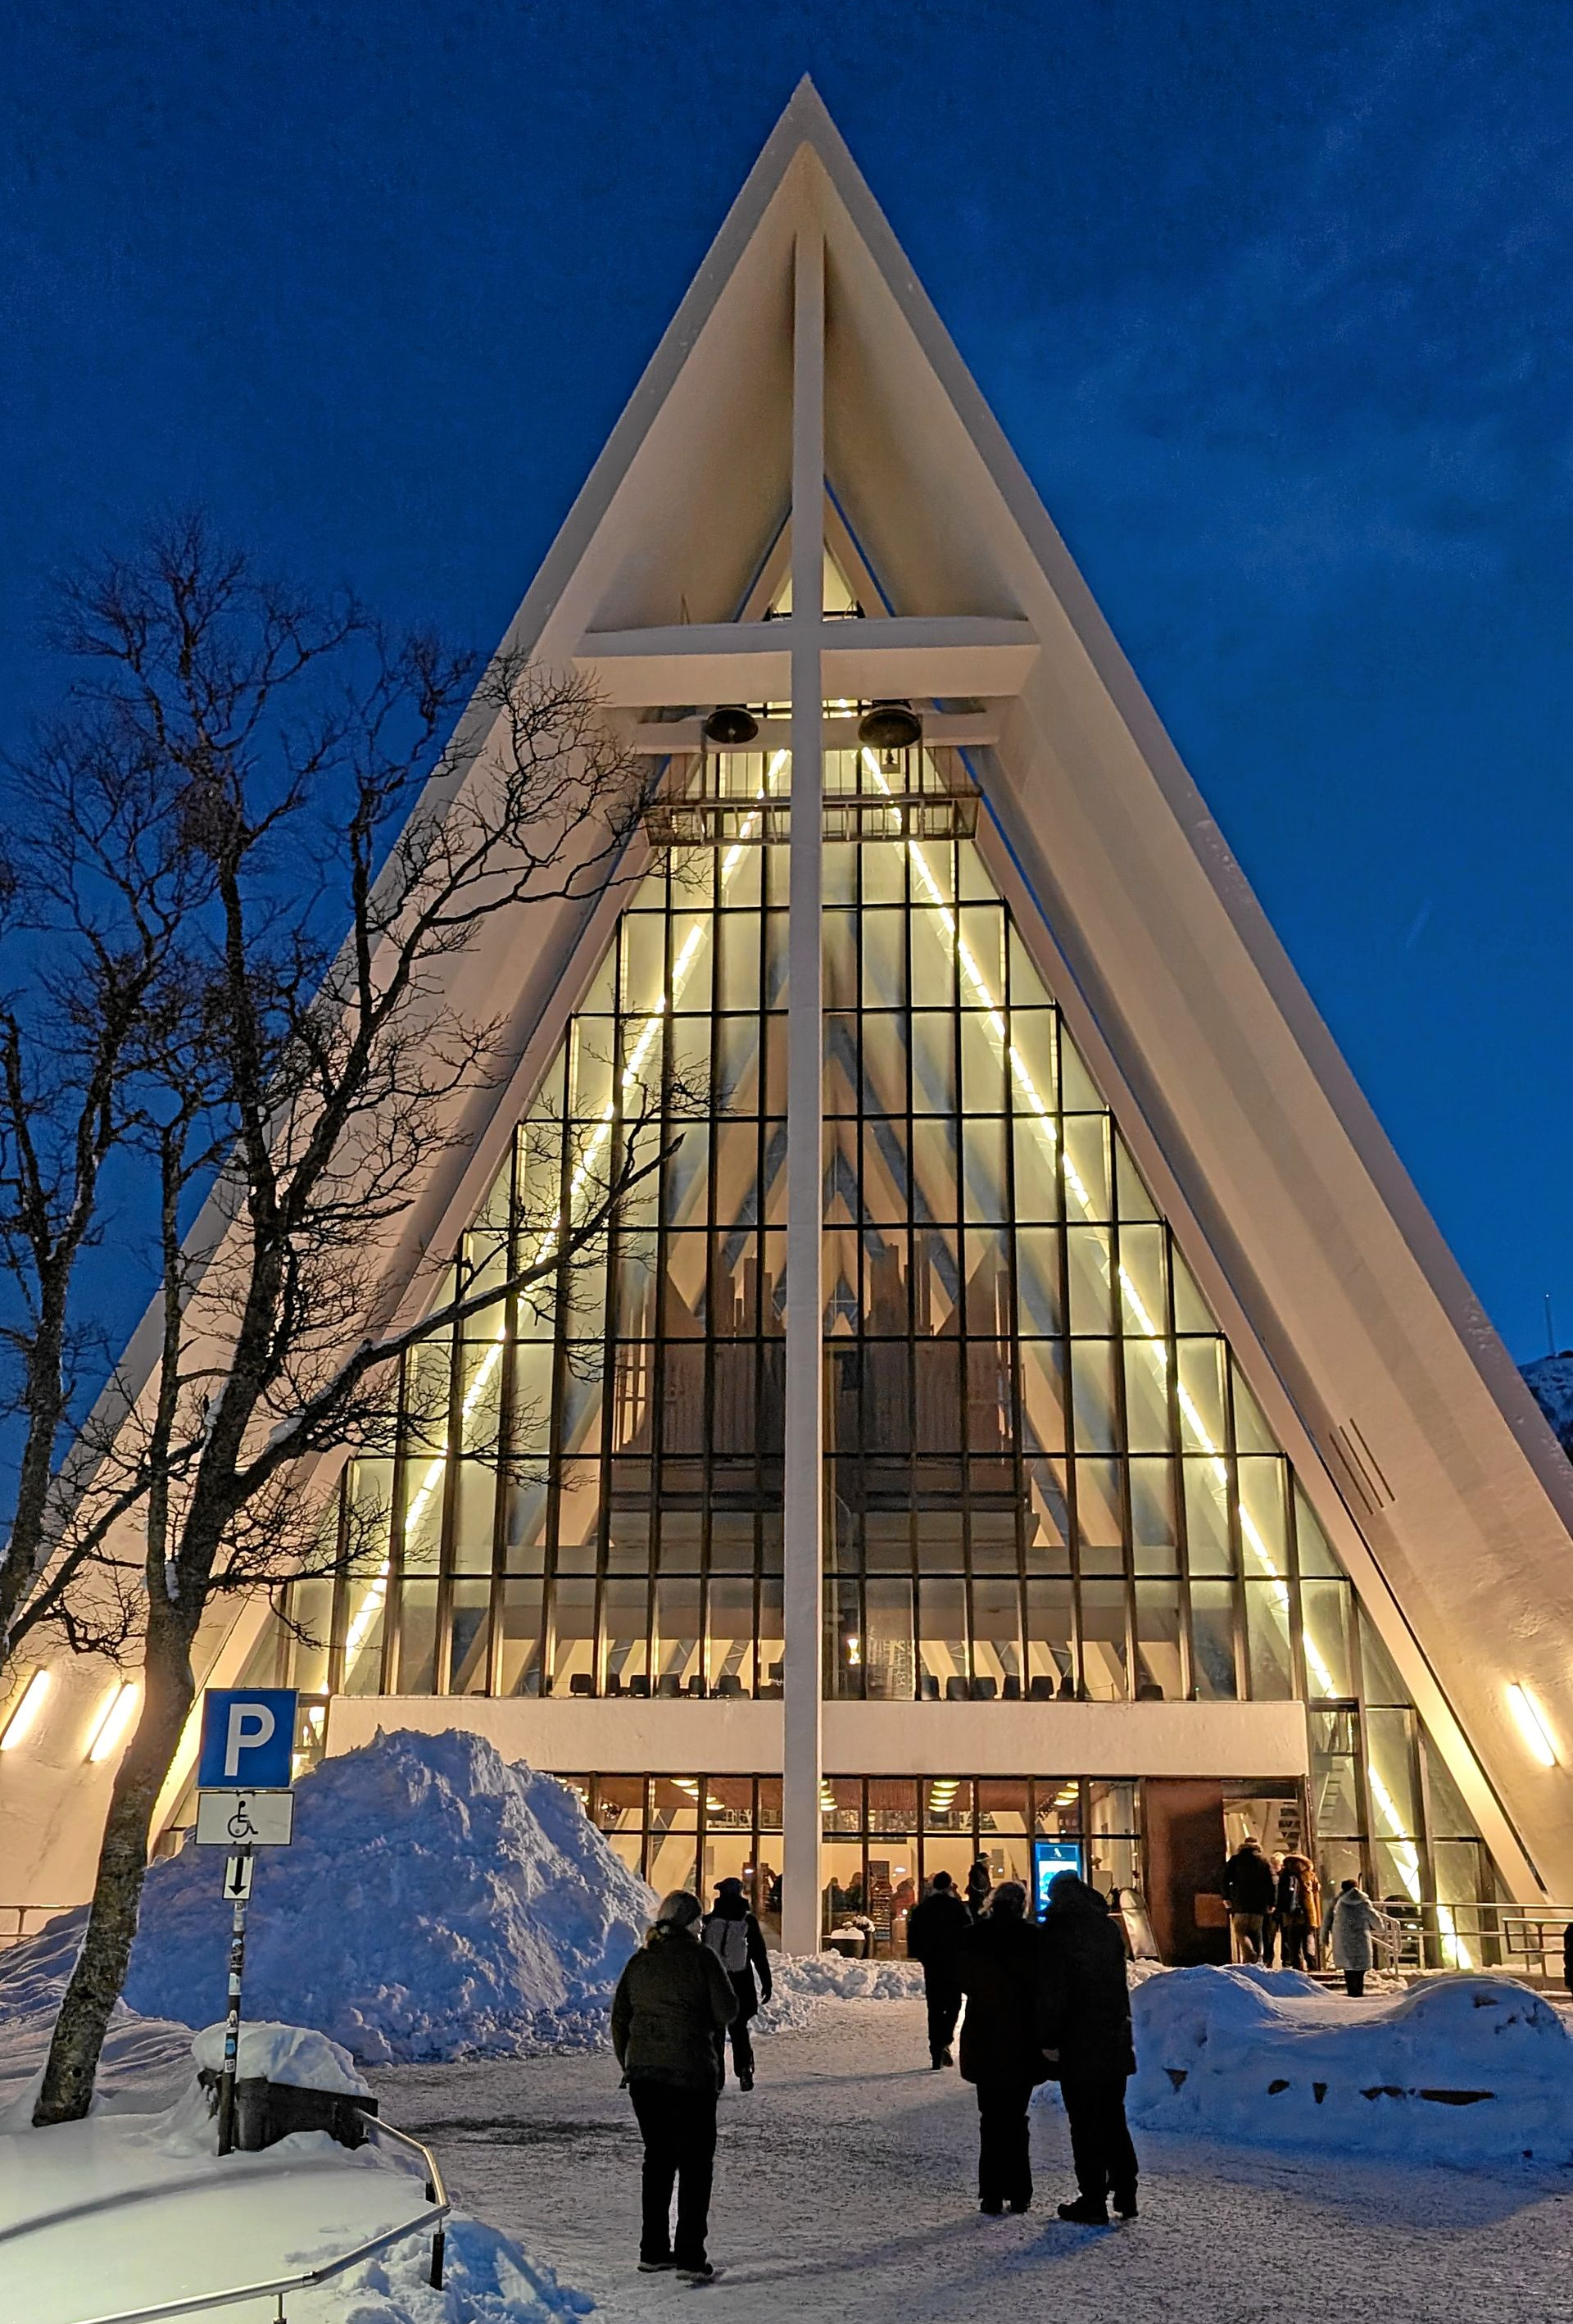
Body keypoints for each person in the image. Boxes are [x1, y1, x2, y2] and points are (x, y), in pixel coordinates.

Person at [611, 1891, 737, 2283]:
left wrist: (631, 2063)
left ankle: (652, 2250)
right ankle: (690, 2257)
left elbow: (620, 2020)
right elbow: (727, 2010)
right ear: (692, 1922)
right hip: (691, 2076)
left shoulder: (640, 1960)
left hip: (645, 2078)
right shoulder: (702, 1959)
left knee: (659, 2159)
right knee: (696, 2165)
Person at [1040, 1870, 1139, 2226]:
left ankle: (1093, 2198)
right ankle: (1126, 2191)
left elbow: (1054, 1992)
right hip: (1113, 2036)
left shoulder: (1058, 1931)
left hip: (1078, 2039)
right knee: (1114, 2117)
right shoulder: (1107, 1927)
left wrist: (1049, 2040)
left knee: (1084, 2123)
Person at [955, 1881, 1054, 2215]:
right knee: (1015, 2117)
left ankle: (992, 2193)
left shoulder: (975, 1936)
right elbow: (1045, 1989)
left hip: (984, 2036)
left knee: (991, 2118)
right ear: (1023, 1904)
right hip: (1022, 2039)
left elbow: (962, 1978)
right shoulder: (1034, 1940)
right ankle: (1020, 2191)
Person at [701, 1874, 773, 2092]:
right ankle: (744, 2070)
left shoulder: (709, 1921)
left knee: (716, 2031)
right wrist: (766, 1982)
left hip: (715, 1981)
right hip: (740, 1981)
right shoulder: (747, 1920)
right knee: (739, 2028)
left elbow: (702, 1954)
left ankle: (716, 2077)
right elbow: (758, 1953)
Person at [906, 1868, 972, 2068]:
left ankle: (935, 2050)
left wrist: (922, 1956)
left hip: (933, 1964)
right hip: (953, 1963)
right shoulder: (957, 1908)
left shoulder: (923, 1908)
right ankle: (945, 2040)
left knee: (934, 2008)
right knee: (954, 2005)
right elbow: (968, 1933)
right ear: (950, 1886)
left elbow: (914, 1936)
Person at [1321, 1877, 1386, 1997]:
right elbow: (1375, 1919)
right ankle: (1358, 1993)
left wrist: (1324, 1936)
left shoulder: (1338, 1903)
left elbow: (1327, 1920)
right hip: (1361, 1939)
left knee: (1349, 1971)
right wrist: (1381, 1929)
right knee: (1360, 1971)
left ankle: (1352, 1993)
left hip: (1343, 1940)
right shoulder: (1363, 1901)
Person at [1222, 1836, 1276, 1963]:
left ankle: (1249, 1953)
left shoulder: (1235, 1861)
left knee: (1240, 1931)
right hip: (1259, 1906)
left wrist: (1227, 1897)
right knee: (1256, 1933)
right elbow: (1272, 1884)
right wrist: (1272, 1902)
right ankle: (1257, 1959)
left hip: (1240, 1904)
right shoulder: (1264, 1862)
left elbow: (1225, 1879)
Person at [1275, 1852, 1321, 1972]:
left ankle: (1298, 1969)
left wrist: (1279, 1911)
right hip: (1308, 1914)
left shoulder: (1286, 1875)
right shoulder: (1310, 1875)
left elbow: (1282, 1896)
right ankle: (1313, 1966)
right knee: (1308, 1941)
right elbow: (1316, 1893)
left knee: (1294, 1943)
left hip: (1292, 1914)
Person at [966, 1854, 994, 1921]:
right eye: (988, 1862)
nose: (989, 1864)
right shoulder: (980, 1874)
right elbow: (983, 1888)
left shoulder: (977, 1872)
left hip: (978, 1902)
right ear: (983, 1862)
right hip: (980, 1903)